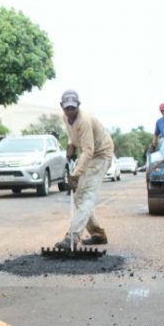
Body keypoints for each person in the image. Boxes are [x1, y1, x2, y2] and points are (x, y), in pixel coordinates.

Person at [55, 90, 114, 250]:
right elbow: (73, 135)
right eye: (67, 108)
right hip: (90, 155)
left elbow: (88, 150)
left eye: (73, 108)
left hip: (101, 155)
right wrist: (70, 146)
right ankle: (98, 234)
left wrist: (75, 174)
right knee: (78, 198)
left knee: (86, 195)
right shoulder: (66, 118)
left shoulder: (84, 121)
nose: (70, 111)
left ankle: (72, 237)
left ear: (78, 105)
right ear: (62, 106)